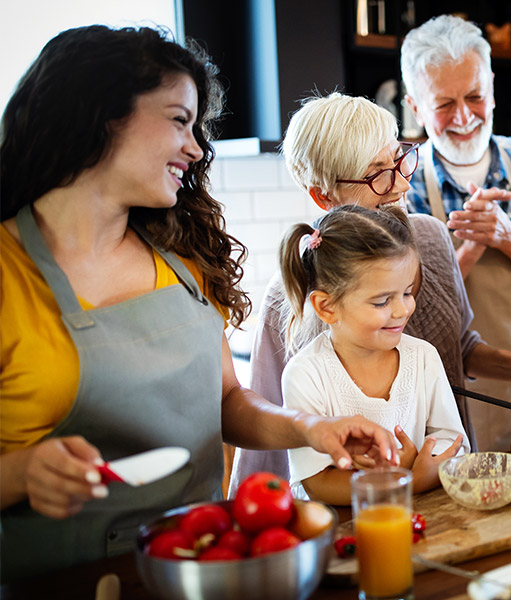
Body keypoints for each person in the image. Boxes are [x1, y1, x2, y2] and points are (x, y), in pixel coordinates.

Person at [0, 26, 396, 581]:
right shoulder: (8, 273)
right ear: (100, 115)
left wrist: (311, 428)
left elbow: (228, 402)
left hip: (201, 568)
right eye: (178, 121)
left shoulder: (182, 258)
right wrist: (21, 473)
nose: (195, 146)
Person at [228, 92, 511, 497]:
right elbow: (268, 420)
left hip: (440, 485)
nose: (401, 183)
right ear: (323, 195)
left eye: (398, 160)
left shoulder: (431, 239)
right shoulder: (294, 286)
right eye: (377, 173)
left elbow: (461, 349)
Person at [401, 15, 511, 451]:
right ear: (414, 107)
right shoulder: (400, 182)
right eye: (443, 104)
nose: (463, 116)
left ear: (493, 89)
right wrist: (469, 247)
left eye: (475, 96)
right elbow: (405, 310)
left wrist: (508, 237)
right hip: (446, 401)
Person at [279, 205, 469, 504]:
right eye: (382, 301)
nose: (403, 309)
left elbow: (452, 441)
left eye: (407, 292)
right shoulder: (306, 375)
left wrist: (422, 459)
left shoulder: (422, 357)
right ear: (326, 307)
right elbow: (318, 483)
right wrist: (408, 479)